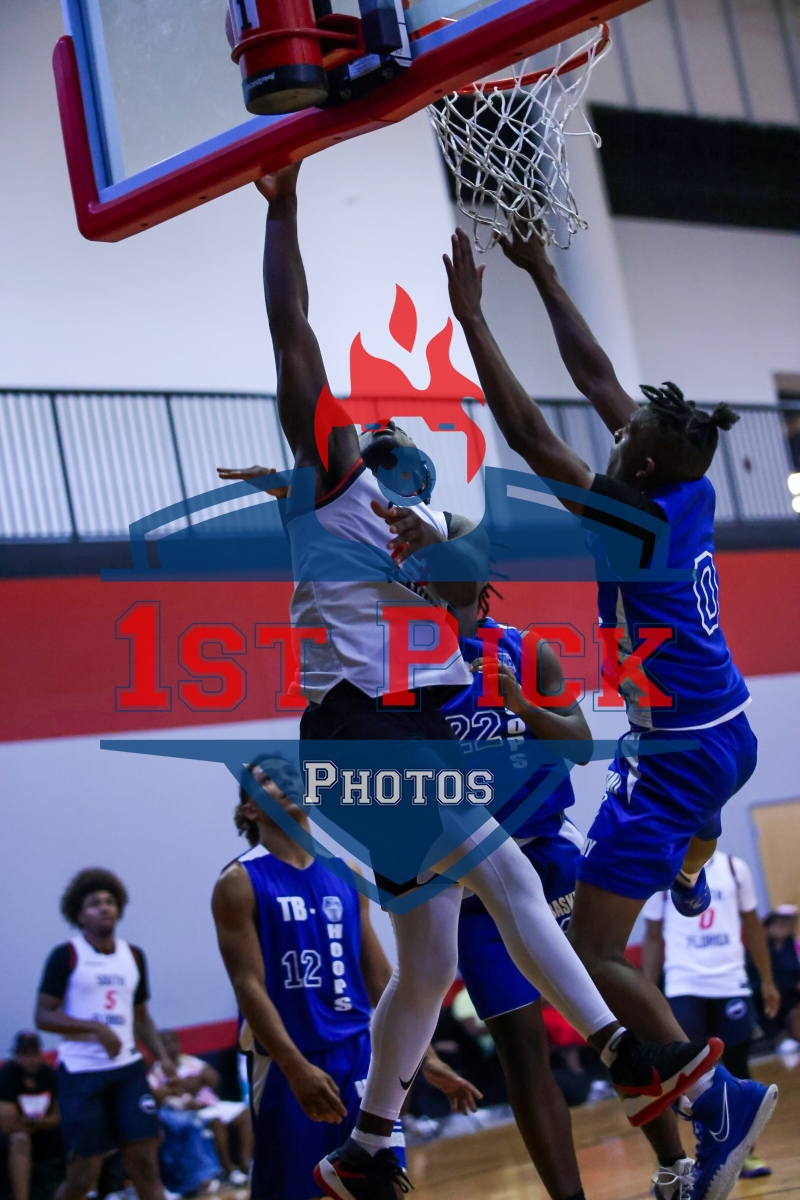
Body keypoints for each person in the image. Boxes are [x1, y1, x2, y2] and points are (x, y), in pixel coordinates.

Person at [218, 164, 723, 1200]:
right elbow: (291, 332)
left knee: (428, 960)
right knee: (506, 877)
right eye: (374, 437)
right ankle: (623, 1050)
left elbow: (469, 588)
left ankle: (366, 1147)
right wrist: (285, 210)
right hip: (354, 732)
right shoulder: (331, 487)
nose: (382, 439)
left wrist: (439, 547)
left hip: (406, 733)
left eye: (398, 444)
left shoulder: (428, 535)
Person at [441, 223, 778, 1200]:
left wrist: (474, 319)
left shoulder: (629, 522)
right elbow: (596, 377)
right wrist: (544, 273)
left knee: (590, 958)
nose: (615, 431)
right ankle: (689, 865)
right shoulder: (684, 486)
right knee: (680, 832)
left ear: (639, 468)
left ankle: (717, 1106)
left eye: (626, 439)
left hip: (673, 752)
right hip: (729, 729)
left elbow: (526, 432)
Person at [211, 757, 480, 1200]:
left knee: (382, 1184)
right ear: (250, 810)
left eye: (293, 776)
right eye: (268, 780)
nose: (286, 782)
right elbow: (248, 986)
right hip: (288, 1060)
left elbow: (380, 975)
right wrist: (295, 1067)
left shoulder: (347, 872)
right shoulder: (237, 882)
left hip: (360, 1054)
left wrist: (423, 1057)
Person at [444, 581, 593, 1200]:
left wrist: (522, 707)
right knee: (522, 1054)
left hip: (548, 854)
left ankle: (673, 1160)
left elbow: (582, 745)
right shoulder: (398, 672)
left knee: (612, 1010)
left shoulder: (527, 650)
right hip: (472, 883)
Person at [35, 869, 176, 1200]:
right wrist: (96, 1028)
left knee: (145, 1165)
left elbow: (140, 1016)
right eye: (94, 903)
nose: (104, 907)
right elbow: (43, 1015)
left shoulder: (134, 956)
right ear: (79, 914)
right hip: (82, 1073)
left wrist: (163, 1056)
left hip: (127, 1070)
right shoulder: (67, 955)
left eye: (110, 901)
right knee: (83, 1175)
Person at [642, 850, 781, 1179]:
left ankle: (744, 1153)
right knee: (679, 1075)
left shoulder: (735, 868)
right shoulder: (663, 870)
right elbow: (652, 935)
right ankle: (674, 1164)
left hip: (730, 983)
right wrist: (645, 992)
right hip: (684, 984)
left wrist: (767, 980)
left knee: (737, 1068)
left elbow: (752, 925)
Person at [147, 1030, 252, 1186]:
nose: (172, 1046)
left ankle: (246, 1163)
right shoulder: (156, 1070)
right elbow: (157, 1095)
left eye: (174, 1042)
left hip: (210, 1104)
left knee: (246, 1113)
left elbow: (213, 1078)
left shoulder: (189, 1061)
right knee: (216, 1121)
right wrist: (193, 1082)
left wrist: (180, 1085)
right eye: (166, 1044)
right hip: (185, 1113)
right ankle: (229, 1170)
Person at [0, 1032, 63, 1200]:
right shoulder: (7, 1076)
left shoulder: (49, 1074)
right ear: (17, 1055)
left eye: (34, 1054)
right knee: (20, 1139)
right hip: (12, 1137)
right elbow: (7, 1124)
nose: (31, 1060)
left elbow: (59, 1115)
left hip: (45, 1132)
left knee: (81, 1131)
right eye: (25, 1055)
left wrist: (36, 1122)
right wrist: (39, 1123)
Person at [757, 905, 800, 1048]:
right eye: (780, 924)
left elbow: (794, 970)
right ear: (770, 926)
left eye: (788, 924)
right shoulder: (761, 947)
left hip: (790, 990)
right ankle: (779, 1036)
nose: (785, 928)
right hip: (766, 990)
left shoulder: (790, 945)